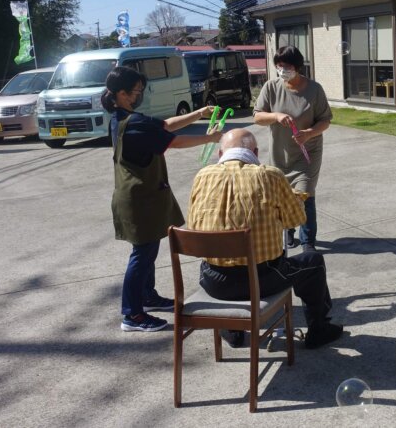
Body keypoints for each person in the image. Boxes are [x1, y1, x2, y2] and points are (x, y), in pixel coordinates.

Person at [188, 128, 343, 349]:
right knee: (313, 262)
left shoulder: (202, 176)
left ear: (220, 153)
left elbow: (194, 227)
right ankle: (318, 328)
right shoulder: (270, 175)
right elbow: (295, 220)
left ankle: (232, 329)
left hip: (214, 281)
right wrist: (289, 201)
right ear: (256, 152)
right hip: (263, 280)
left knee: (225, 259)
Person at [103, 66, 221, 333]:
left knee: (148, 251)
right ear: (121, 94)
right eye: (136, 91)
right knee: (142, 254)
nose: (140, 95)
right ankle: (132, 314)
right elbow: (173, 141)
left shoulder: (123, 118)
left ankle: (147, 296)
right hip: (139, 200)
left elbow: (165, 126)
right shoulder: (132, 124)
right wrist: (210, 138)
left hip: (139, 197)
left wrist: (200, 114)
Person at [254, 46, 332, 253]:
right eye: (278, 66)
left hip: (308, 153)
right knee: (283, 195)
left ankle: (307, 242)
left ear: (298, 66)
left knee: (305, 194)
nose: (282, 70)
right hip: (280, 153)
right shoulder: (271, 87)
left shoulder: (315, 90)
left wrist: (308, 133)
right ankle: (287, 229)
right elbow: (257, 116)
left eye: (286, 66)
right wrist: (276, 116)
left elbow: (325, 120)